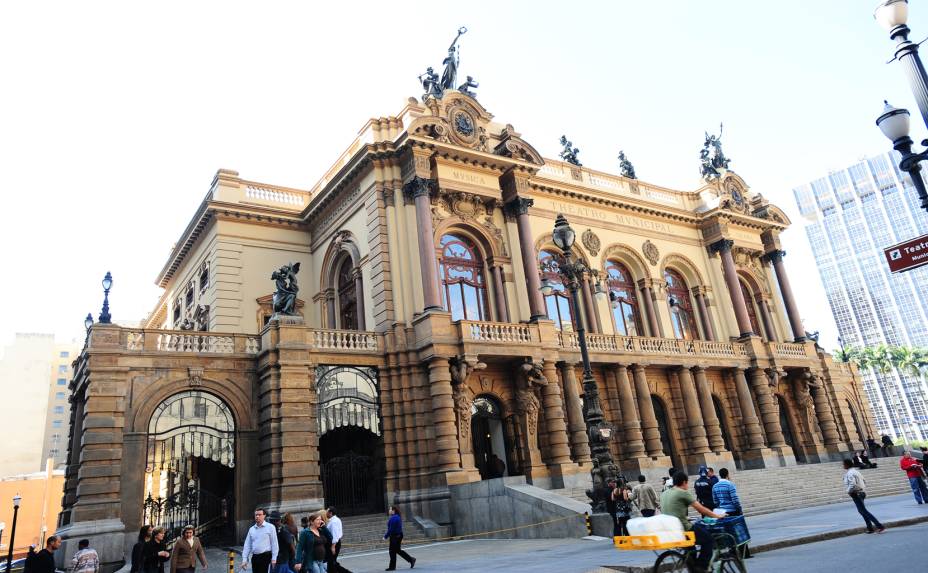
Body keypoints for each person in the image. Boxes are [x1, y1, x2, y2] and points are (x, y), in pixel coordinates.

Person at [660, 471, 723, 572]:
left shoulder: (664, 493)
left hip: (670, 529)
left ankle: (693, 568)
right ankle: (701, 568)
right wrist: (717, 515)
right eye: (687, 483)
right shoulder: (682, 493)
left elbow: (670, 510)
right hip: (683, 529)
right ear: (684, 482)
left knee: (691, 550)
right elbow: (701, 509)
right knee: (708, 540)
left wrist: (684, 517)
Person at [843, 458, 885, 534]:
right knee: (862, 511)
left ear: (846, 465)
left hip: (856, 493)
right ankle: (870, 528)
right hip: (861, 492)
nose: (843, 466)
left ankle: (879, 526)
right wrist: (862, 489)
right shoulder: (856, 471)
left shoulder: (850, 473)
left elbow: (852, 484)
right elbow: (864, 481)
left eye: (843, 464)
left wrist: (848, 491)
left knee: (863, 511)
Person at [242, 508, 279, 573]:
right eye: (256, 515)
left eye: (259, 514)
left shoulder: (270, 527)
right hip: (255, 557)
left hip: (266, 557)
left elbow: (274, 543)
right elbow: (247, 545)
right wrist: (244, 559)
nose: (257, 516)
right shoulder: (252, 529)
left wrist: (274, 558)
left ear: (264, 516)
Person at [383, 505, 416, 571]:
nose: (389, 510)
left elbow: (391, 529)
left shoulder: (394, 518)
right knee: (397, 550)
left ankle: (392, 567)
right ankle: (411, 559)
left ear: (393, 511)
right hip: (398, 535)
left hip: (395, 536)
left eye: (390, 509)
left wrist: (385, 536)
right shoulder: (396, 517)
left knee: (392, 551)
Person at [325, 508, 351, 573]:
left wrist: (333, 546)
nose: (326, 513)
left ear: (330, 513)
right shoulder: (334, 520)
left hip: (334, 543)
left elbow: (335, 534)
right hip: (334, 543)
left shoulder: (334, 522)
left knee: (331, 563)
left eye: (327, 511)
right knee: (332, 562)